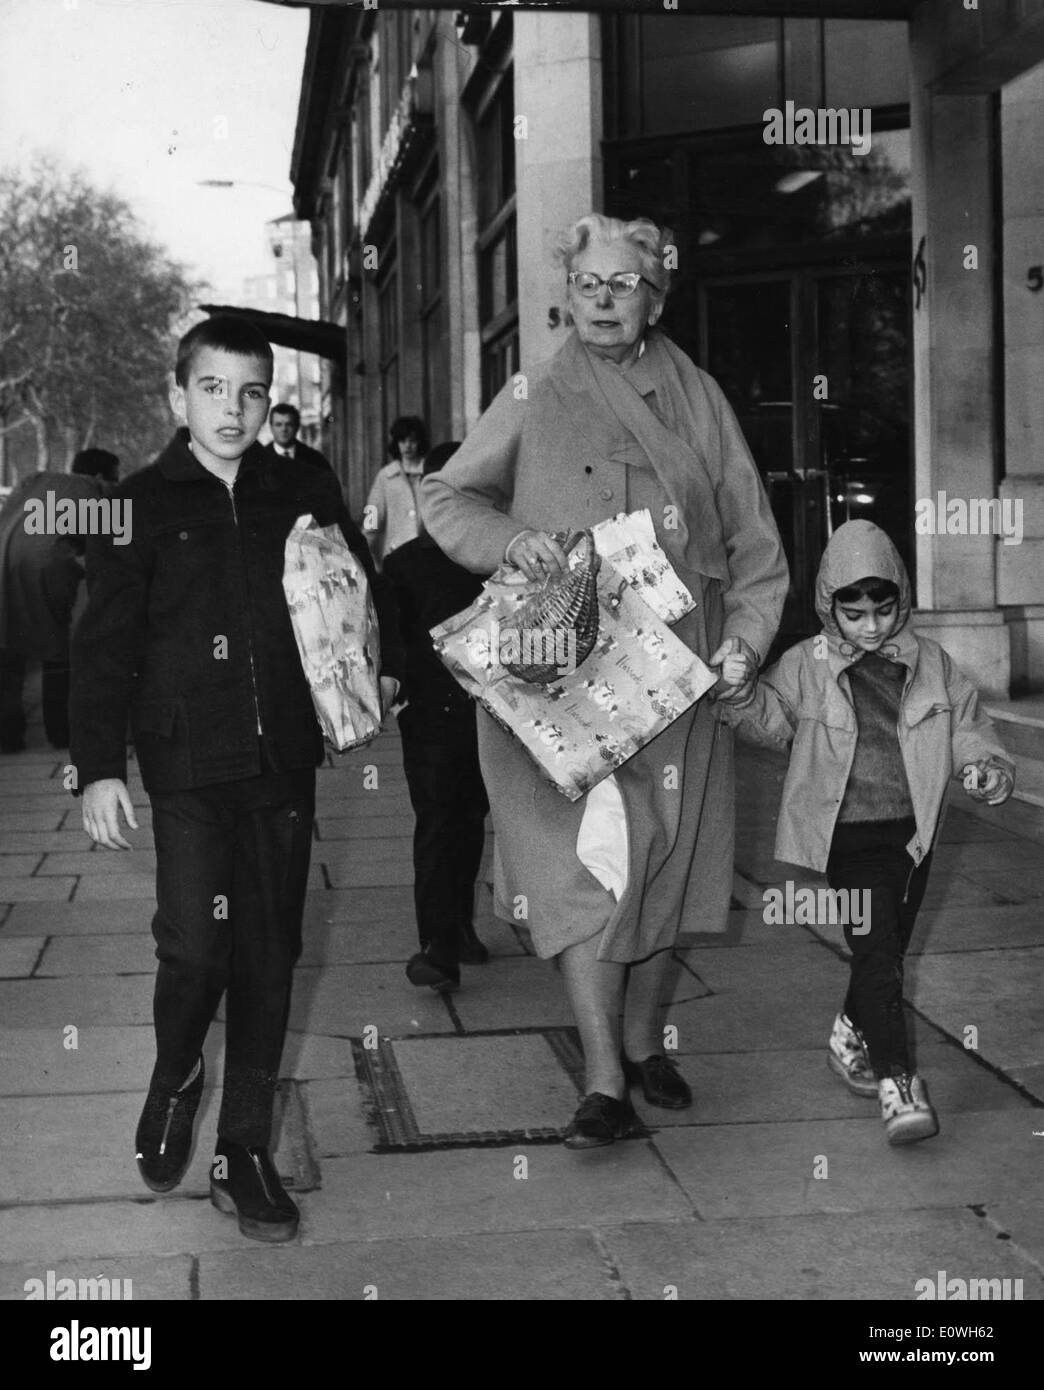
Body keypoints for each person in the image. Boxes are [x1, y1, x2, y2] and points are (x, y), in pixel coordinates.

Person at [421, 213, 789, 1148]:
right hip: (562, 670)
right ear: (567, 293)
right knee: (585, 863)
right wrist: (519, 544)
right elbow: (445, 496)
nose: (601, 301)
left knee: (666, 859)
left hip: (682, 675)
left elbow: (752, 540)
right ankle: (599, 1079)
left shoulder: (698, 396)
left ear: (654, 295)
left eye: (622, 285)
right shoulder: (534, 387)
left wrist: (743, 641)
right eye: (587, 284)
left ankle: (636, 1043)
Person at [69, 316, 403, 1241]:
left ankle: (243, 1150)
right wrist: (98, 770)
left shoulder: (300, 485)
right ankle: (178, 1071)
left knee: (269, 954)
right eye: (213, 389)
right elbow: (100, 652)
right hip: (184, 763)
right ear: (179, 398)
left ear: (268, 402)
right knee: (194, 950)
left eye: (251, 391)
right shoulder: (135, 504)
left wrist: (382, 666)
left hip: (283, 760)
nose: (233, 408)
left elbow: (360, 589)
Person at [720, 519, 1015, 1145]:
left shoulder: (930, 662)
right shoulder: (806, 664)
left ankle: (849, 1033)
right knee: (878, 953)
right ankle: (898, 1081)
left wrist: (985, 766)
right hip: (846, 839)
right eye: (854, 614)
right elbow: (770, 723)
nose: (872, 626)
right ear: (830, 605)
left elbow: (966, 725)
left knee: (887, 950)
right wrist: (741, 691)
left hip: (914, 835)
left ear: (900, 601)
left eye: (883, 611)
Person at [383, 441, 490, 992]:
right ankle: (437, 943)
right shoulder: (403, 565)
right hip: (429, 717)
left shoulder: (496, 560)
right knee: (437, 822)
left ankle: (461, 925)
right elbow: (388, 639)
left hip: (491, 717)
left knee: (469, 820)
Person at [0, 450, 118, 752]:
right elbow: (119, 546)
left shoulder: (36, 479)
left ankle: (7, 736)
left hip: (4, 558)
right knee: (57, 649)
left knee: (8, 649)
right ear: (103, 475)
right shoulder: (99, 489)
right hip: (47, 565)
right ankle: (61, 731)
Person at [362, 415, 429, 566]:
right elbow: (372, 512)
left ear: (420, 442)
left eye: (412, 441)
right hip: (395, 554)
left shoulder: (430, 472)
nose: (408, 446)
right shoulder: (385, 476)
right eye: (402, 441)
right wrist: (364, 546)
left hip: (427, 555)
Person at [264, 402, 332, 473]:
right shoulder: (260, 459)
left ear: (297, 427)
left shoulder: (315, 459)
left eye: (289, 424)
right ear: (271, 427)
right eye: (278, 425)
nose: (284, 429)